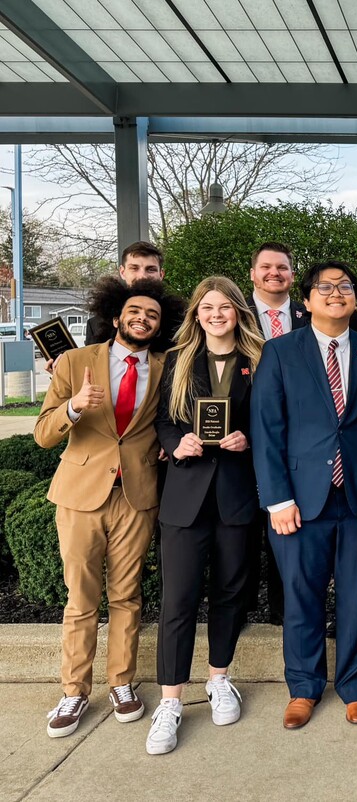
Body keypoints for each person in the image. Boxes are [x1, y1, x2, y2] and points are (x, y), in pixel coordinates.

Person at [34, 277, 179, 739]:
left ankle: (121, 682)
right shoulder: (76, 363)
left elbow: (171, 421)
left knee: (127, 596)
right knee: (81, 600)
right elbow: (43, 433)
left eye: (152, 316)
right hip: (80, 496)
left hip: (136, 496)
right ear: (117, 317)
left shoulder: (165, 368)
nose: (143, 319)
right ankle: (74, 690)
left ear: (159, 326)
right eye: (135, 312)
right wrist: (74, 407)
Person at [251, 260, 357, 730]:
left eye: (345, 286)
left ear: (356, 298)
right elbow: (267, 430)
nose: (337, 293)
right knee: (301, 596)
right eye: (325, 288)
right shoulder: (279, 352)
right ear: (306, 300)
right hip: (299, 500)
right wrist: (277, 499)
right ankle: (304, 688)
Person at [145, 277, 265, 755]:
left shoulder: (260, 360)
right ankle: (171, 701)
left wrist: (249, 438)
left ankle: (219, 678)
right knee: (178, 601)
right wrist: (178, 444)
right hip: (185, 497)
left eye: (225, 307)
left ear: (239, 311)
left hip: (236, 495)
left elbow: (272, 417)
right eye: (207, 307)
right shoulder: (177, 361)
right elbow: (163, 420)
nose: (217, 314)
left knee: (230, 594)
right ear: (196, 314)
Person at [246, 241, 309, 626]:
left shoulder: (308, 315)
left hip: (297, 434)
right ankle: (243, 606)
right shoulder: (234, 315)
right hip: (240, 434)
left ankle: (284, 612)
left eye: (282, 267)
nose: (275, 273)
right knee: (247, 528)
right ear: (253, 273)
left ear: (292, 274)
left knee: (288, 526)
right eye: (266, 267)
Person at [84, 242, 165, 346]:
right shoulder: (96, 324)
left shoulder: (179, 322)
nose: (142, 276)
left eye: (150, 270)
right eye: (134, 268)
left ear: (161, 274)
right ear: (122, 272)